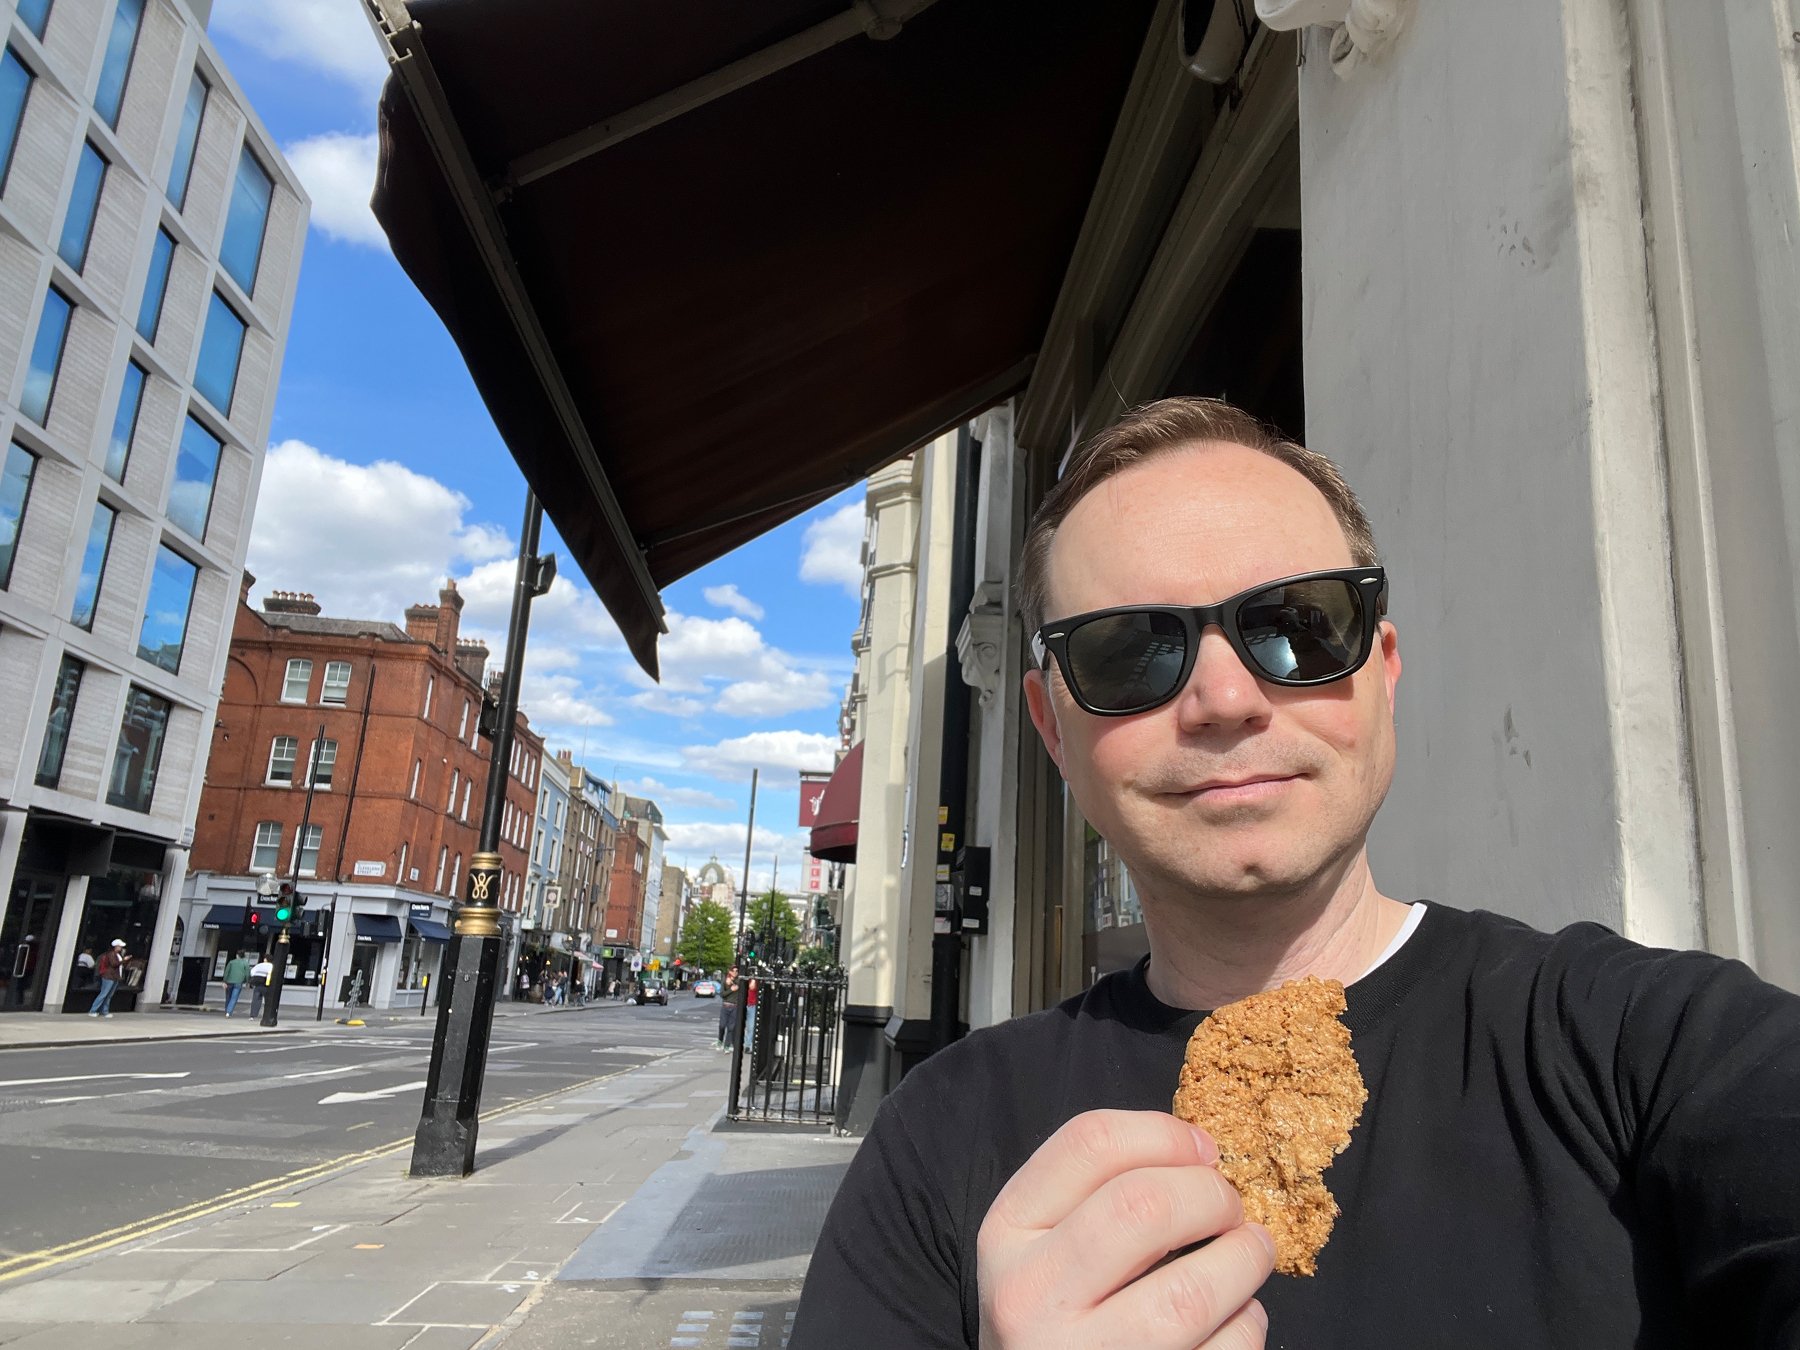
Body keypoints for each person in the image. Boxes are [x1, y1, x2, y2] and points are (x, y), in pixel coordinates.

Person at [791, 398, 1800, 1349]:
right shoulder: (938, 1140)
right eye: (1130, 651)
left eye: (1299, 626)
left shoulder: (1658, 1049)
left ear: (1382, 670)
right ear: (1053, 728)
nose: (1225, 699)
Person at [88, 939, 127, 1017]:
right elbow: (114, 964)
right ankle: (93, 1010)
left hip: (114, 976)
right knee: (104, 994)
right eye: (120, 946)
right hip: (109, 976)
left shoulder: (117, 954)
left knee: (108, 995)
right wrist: (124, 960)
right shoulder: (111, 954)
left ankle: (104, 1011)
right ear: (116, 946)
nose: (121, 948)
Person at [717, 965, 741, 1050]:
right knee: (722, 1025)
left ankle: (727, 1045)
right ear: (729, 971)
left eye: (736, 971)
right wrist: (731, 990)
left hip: (734, 1006)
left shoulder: (739, 981)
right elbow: (722, 994)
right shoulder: (725, 981)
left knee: (731, 1027)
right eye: (733, 970)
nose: (735, 972)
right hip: (725, 1006)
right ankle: (720, 1039)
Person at [221, 951, 251, 1016]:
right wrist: (247, 982)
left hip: (229, 981)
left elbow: (226, 972)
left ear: (237, 955)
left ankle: (226, 1010)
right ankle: (229, 1012)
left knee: (228, 997)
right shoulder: (245, 963)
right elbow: (247, 974)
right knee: (234, 998)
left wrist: (224, 981)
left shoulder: (231, 962)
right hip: (239, 982)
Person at [248, 954, 274, 1020]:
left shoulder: (259, 965)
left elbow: (252, 972)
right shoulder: (272, 966)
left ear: (265, 959)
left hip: (257, 985)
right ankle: (267, 1015)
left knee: (256, 1000)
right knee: (268, 1001)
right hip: (266, 985)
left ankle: (253, 1015)